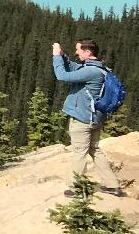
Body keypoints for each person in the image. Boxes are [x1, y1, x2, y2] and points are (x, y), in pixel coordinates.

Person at [52, 39, 123, 197]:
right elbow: (75, 68)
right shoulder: (100, 68)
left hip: (83, 119)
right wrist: (64, 56)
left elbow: (62, 76)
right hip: (95, 118)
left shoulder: (90, 72)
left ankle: (76, 188)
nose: (76, 52)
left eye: (78, 50)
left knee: (79, 152)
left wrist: (56, 56)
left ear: (88, 52)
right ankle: (113, 185)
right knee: (95, 150)